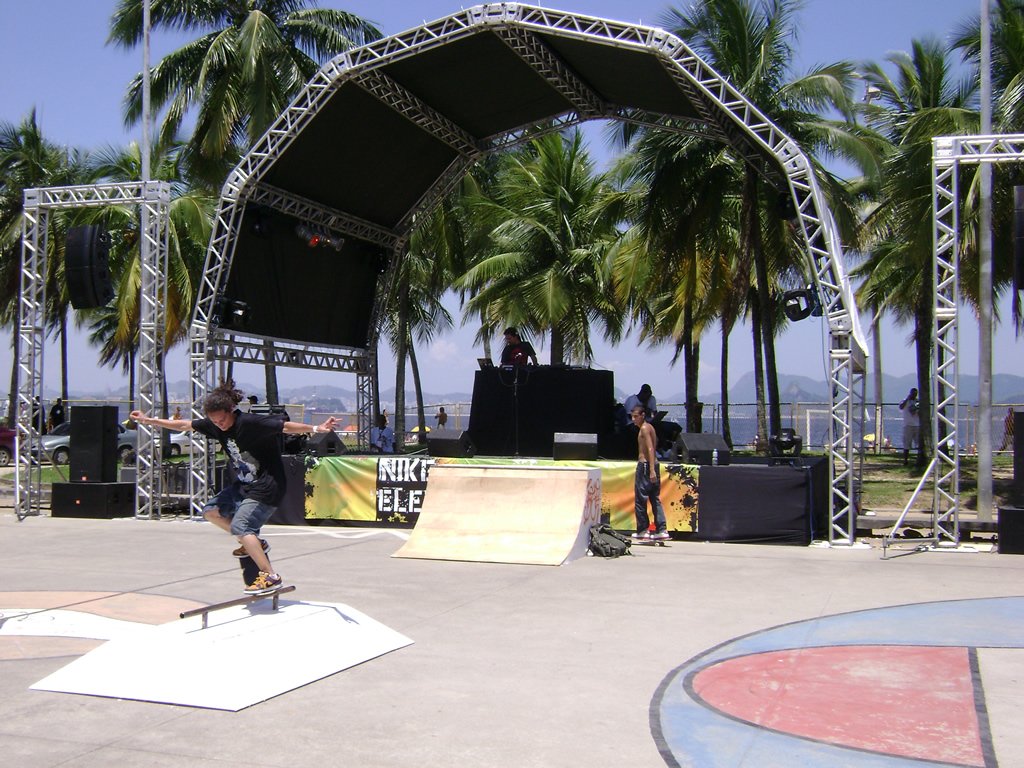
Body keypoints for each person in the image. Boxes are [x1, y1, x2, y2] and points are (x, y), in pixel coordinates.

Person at [131, 379, 339, 595]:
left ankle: (271, 576)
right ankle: (255, 543)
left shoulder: (250, 422)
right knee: (211, 512)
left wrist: (317, 428)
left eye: (222, 420)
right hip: (244, 485)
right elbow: (184, 425)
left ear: (231, 410)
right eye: (215, 421)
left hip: (267, 485)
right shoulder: (213, 424)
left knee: (242, 526)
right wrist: (148, 420)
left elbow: (284, 427)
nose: (219, 424)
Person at [631, 404, 668, 542]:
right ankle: (661, 530)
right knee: (654, 497)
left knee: (641, 498)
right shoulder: (650, 428)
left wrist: (651, 469)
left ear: (643, 415)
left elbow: (651, 448)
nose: (633, 419)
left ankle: (643, 530)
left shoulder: (645, 428)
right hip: (652, 465)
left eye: (636, 416)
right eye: (632, 417)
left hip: (646, 465)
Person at [899, 387, 920, 465]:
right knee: (907, 444)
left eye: (915, 394)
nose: (914, 395)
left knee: (918, 443)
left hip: (917, 425)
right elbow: (901, 407)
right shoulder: (905, 401)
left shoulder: (918, 402)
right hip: (908, 425)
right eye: (913, 393)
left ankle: (918, 459)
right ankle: (905, 460)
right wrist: (907, 399)